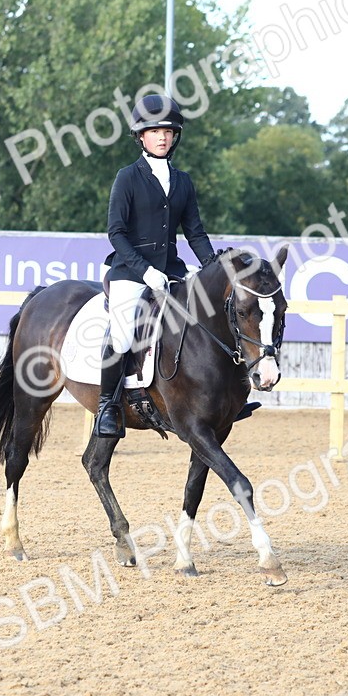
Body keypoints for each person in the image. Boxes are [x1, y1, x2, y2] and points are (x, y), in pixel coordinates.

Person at [95, 94, 216, 438]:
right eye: (154, 131)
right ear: (141, 136)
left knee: (208, 313)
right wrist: (145, 271)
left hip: (172, 270)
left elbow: (195, 233)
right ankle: (107, 405)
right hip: (130, 271)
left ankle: (217, 396)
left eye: (168, 131)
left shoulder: (183, 181)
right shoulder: (127, 177)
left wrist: (211, 265)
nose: (162, 137)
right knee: (121, 333)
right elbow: (115, 233)